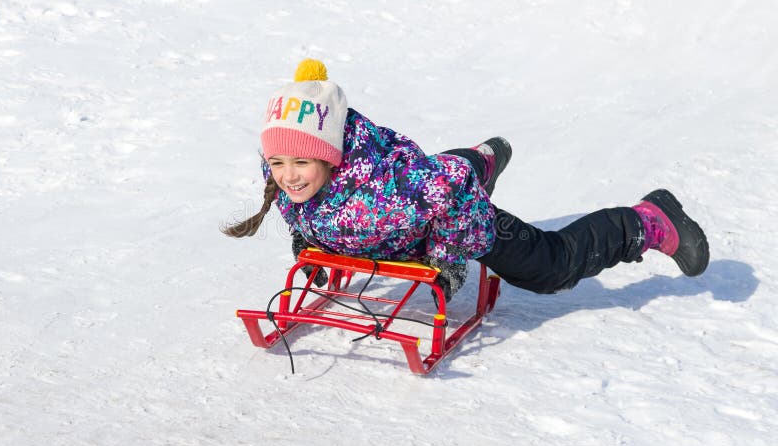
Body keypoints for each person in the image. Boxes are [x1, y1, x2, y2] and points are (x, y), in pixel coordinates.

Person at [223, 59, 709, 300]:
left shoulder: (390, 193)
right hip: (419, 197)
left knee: (547, 268)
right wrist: (308, 242)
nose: (287, 176)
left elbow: (447, 189)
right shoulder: (288, 172)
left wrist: (446, 258)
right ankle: (483, 159)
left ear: (329, 157)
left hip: (458, 217)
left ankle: (646, 220)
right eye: (277, 162)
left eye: (300, 163)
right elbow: (296, 201)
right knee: (434, 179)